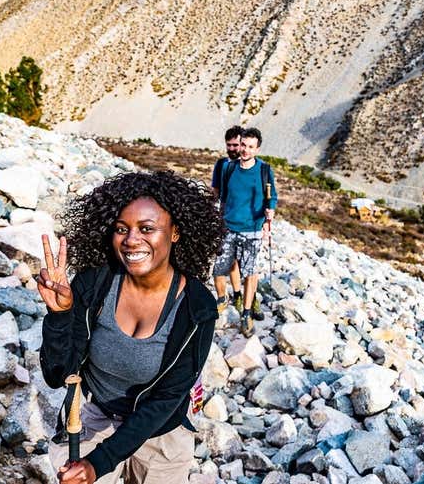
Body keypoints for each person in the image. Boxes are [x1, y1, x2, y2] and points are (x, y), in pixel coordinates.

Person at [37, 170, 223, 484]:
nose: (131, 240)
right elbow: (57, 376)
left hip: (159, 428)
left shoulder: (197, 307)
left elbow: (166, 399)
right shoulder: (94, 285)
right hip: (95, 416)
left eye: (147, 228)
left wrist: (100, 462)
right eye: (121, 229)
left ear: (175, 232)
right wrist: (59, 316)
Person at [213, 127, 277, 337]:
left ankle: (246, 313)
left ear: (257, 149)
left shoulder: (264, 170)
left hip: (252, 230)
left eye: (250, 147)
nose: (244, 150)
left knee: (249, 272)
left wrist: (270, 213)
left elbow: (272, 197)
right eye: (242, 145)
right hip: (228, 227)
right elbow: (222, 195)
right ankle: (223, 299)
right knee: (219, 268)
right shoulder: (228, 168)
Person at [210, 125, 244, 313]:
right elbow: (215, 191)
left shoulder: (251, 167)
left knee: (235, 262)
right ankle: (222, 298)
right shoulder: (221, 165)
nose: (232, 149)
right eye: (229, 145)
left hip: (244, 222)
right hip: (224, 219)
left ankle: (238, 295)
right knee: (222, 260)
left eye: (235, 145)